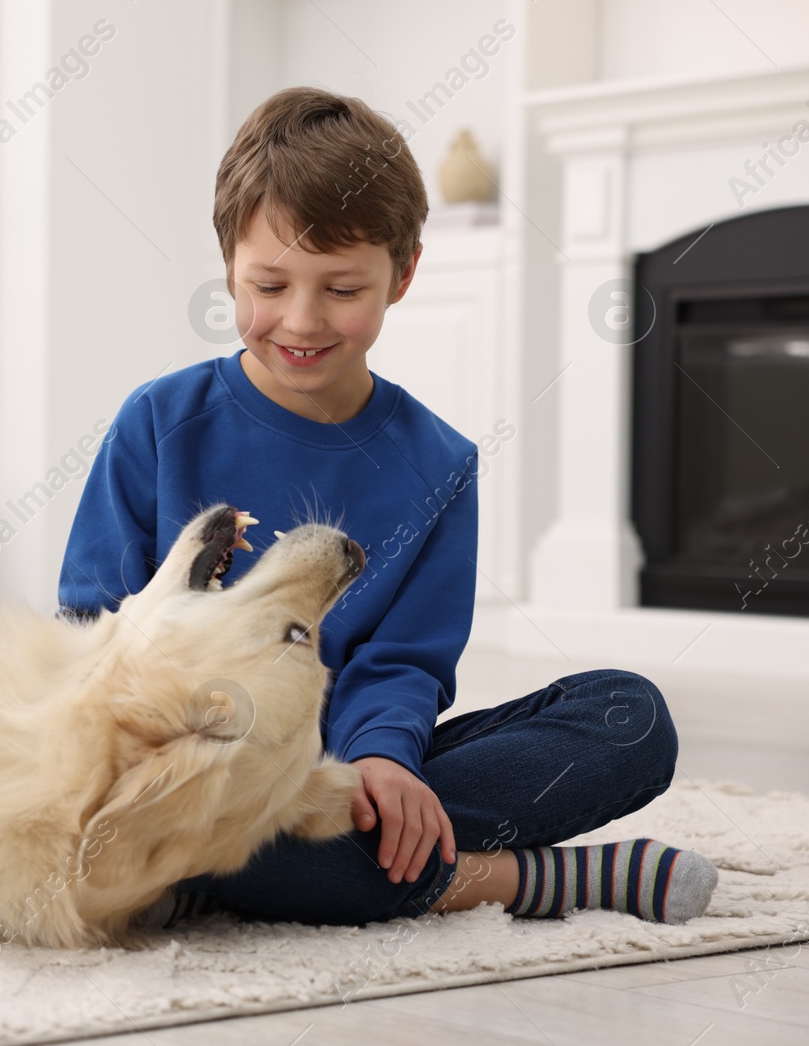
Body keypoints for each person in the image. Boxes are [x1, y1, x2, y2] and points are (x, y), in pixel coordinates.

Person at [55, 87, 717, 929]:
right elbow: (89, 627)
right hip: (187, 777)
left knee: (631, 717)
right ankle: (525, 881)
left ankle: (236, 872)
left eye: (340, 288)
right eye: (269, 284)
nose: (300, 319)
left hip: (345, 778)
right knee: (172, 820)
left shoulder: (439, 464)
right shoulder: (158, 422)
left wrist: (383, 760)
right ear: (228, 266)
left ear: (402, 275)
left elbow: (403, 663)